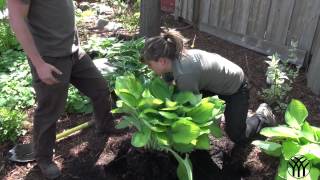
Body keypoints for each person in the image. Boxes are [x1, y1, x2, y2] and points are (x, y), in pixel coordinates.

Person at [8, 0, 114, 179]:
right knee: (50, 110)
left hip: (73, 52)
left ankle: (105, 125)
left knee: (100, 89)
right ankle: (44, 159)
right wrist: (39, 64)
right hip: (49, 57)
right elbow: (16, 18)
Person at [142, 31, 276, 145]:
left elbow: (191, 108)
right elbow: (168, 81)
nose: (150, 68)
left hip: (235, 88)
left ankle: (262, 115)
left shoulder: (184, 74)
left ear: (162, 61)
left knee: (237, 136)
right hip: (216, 82)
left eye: (150, 65)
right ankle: (228, 115)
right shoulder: (173, 58)